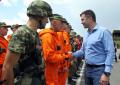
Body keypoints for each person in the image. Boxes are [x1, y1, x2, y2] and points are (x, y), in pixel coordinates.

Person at [1, 0, 52, 85]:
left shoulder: (34, 33)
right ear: (40, 15)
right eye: (46, 17)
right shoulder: (22, 33)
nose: (47, 21)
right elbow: (8, 67)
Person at [71, 10, 115, 85]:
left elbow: (110, 52)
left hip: (99, 70)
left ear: (90, 18)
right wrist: (72, 54)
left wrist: (106, 73)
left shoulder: (103, 32)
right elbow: (82, 51)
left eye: (82, 19)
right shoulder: (86, 34)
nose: (81, 22)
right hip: (87, 70)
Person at [39, 14, 71, 85]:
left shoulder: (54, 35)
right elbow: (50, 57)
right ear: (55, 22)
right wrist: (66, 56)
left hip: (53, 73)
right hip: (49, 75)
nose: (63, 26)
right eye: (61, 23)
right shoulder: (48, 36)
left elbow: (58, 52)